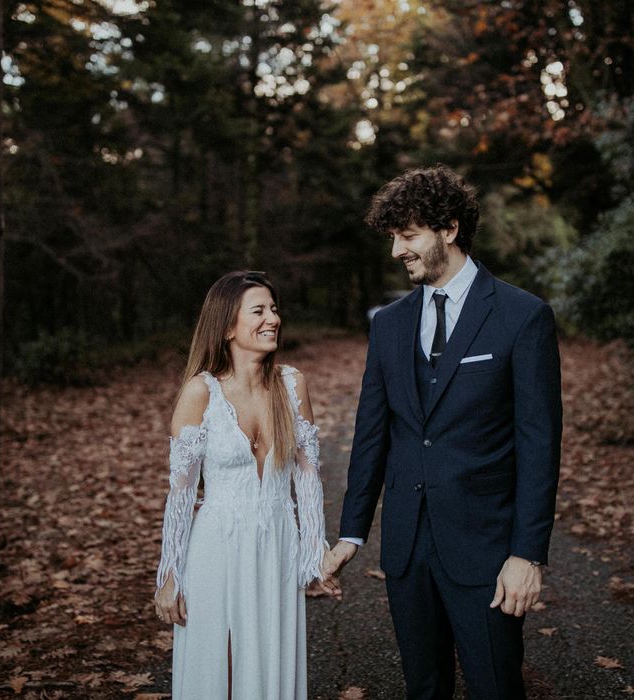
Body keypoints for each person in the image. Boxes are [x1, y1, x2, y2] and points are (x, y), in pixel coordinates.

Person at [326, 165, 563, 699]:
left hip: (487, 549)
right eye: (393, 238)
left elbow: (539, 444)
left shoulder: (523, 317)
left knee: (494, 687)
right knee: (423, 688)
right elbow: (372, 434)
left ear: (449, 229)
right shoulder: (388, 324)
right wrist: (351, 533)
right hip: (408, 549)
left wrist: (527, 555)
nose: (397, 251)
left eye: (407, 236)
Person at [154, 270, 338, 700]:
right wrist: (169, 575)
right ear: (228, 327)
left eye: (274, 309)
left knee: (269, 663)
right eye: (258, 310)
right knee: (221, 664)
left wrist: (315, 554)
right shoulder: (200, 393)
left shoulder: (292, 386)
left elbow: (308, 479)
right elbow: (180, 495)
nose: (272, 318)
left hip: (277, 544)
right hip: (215, 549)